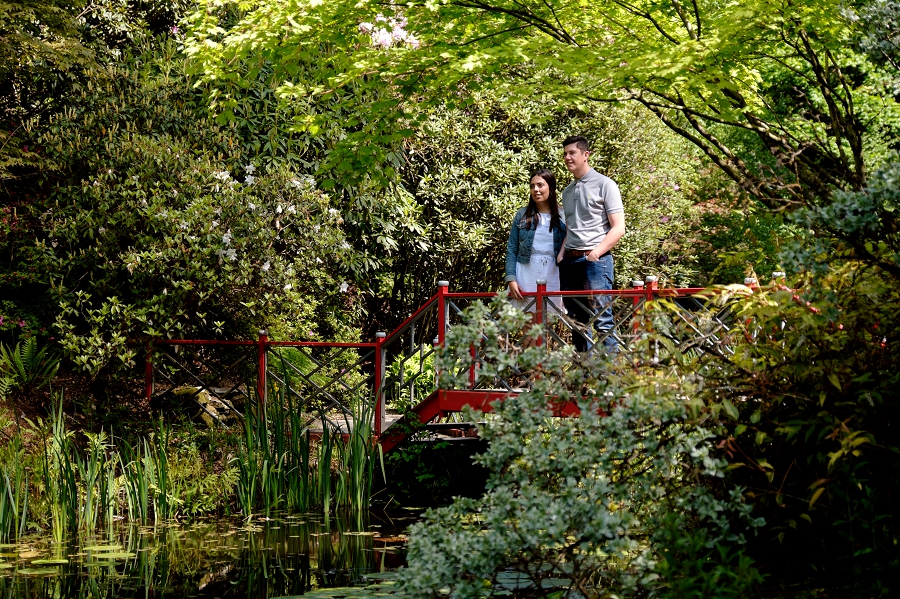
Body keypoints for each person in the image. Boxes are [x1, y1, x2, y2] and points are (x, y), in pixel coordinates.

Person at [555, 135, 626, 352]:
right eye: (565, 153)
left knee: (603, 321)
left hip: (595, 263)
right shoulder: (567, 192)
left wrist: (595, 253)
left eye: (572, 153)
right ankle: (583, 381)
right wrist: (562, 254)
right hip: (570, 263)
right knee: (577, 324)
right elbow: (572, 228)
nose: (567, 157)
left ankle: (609, 383)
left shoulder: (605, 184)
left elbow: (618, 228)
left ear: (586, 155)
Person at [505, 169, 567, 343]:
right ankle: (532, 368)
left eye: (540, 185)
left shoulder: (563, 215)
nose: (536, 190)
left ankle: (539, 367)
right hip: (527, 269)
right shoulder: (522, 215)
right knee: (528, 325)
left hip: (553, 272)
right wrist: (511, 279)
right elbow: (512, 249)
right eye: (532, 186)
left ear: (551, 188)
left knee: (544, 325)